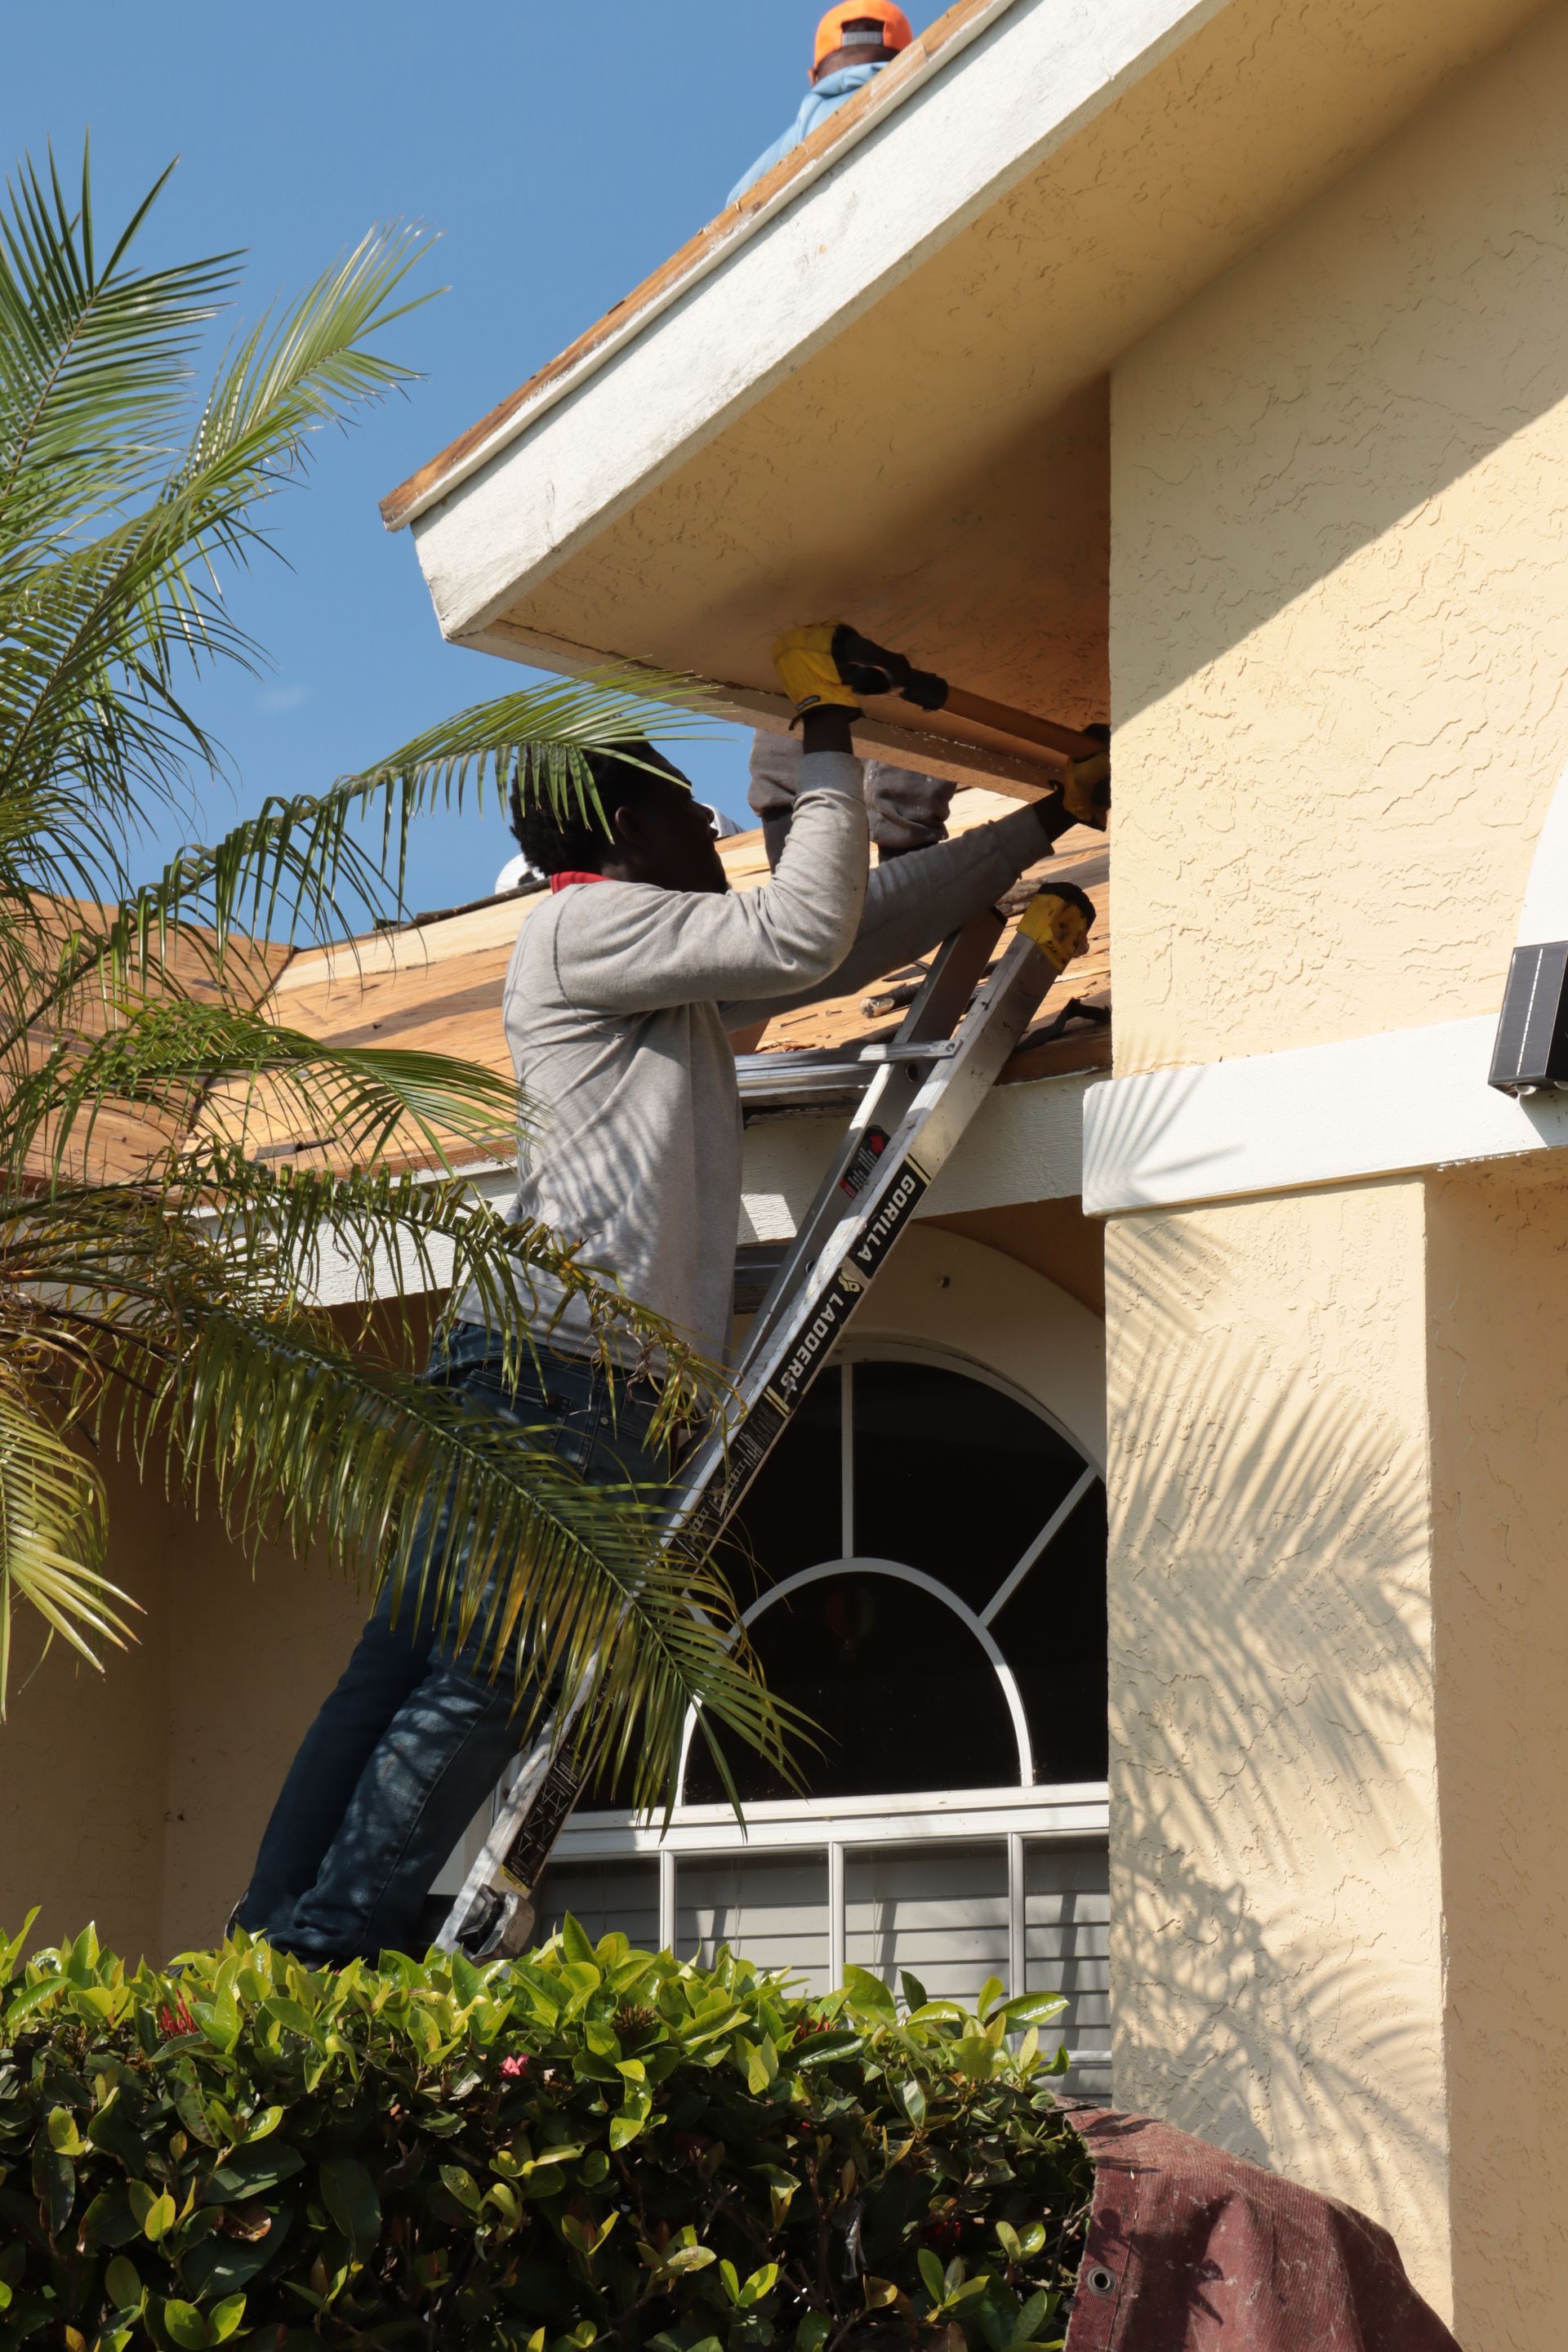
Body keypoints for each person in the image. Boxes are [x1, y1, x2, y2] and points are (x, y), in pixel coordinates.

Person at [235, 627, 1101, 1967]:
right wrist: (823, 728)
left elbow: (841, 933)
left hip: (524, 1360)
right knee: (485, 1672)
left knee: (408, 1663)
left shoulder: (646, 963)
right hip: (572, 1372)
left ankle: (279, 1931)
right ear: (627, 829)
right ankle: (335, 1940)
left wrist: (1041, 819)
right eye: (692, 814)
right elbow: (807, 922)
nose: (717, 833)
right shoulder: (588, 919)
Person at [728, 4, 915, 205]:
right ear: (906, 55)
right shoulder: (919, 87)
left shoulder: (806, 126)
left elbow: (736, 202)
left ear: (813, 77)